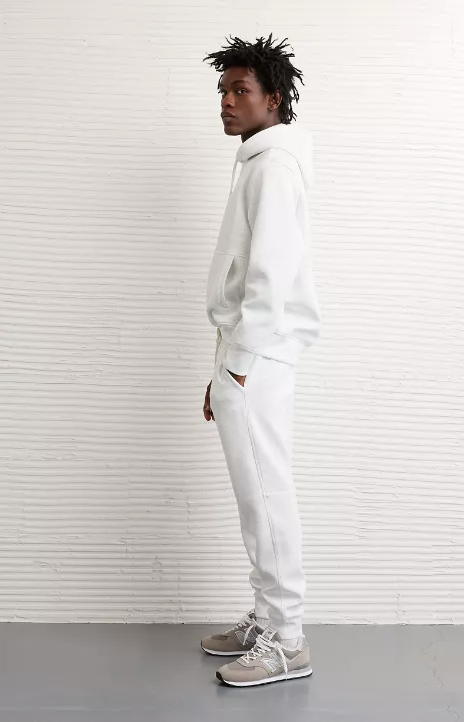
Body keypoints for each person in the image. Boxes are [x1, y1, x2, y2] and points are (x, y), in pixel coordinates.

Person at [200, 33, 322, 687]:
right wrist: (221, 364)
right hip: (246, 356)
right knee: (257, 497)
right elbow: (242, 274)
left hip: (258, 357)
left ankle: (287, 640)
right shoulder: (256, 161)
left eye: (240, 90)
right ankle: (268, 617)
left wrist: (239, 363)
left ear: (273, 98)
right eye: (222, 91)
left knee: (268, 495)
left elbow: (270, 275)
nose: (226, 101)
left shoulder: (273, 165)